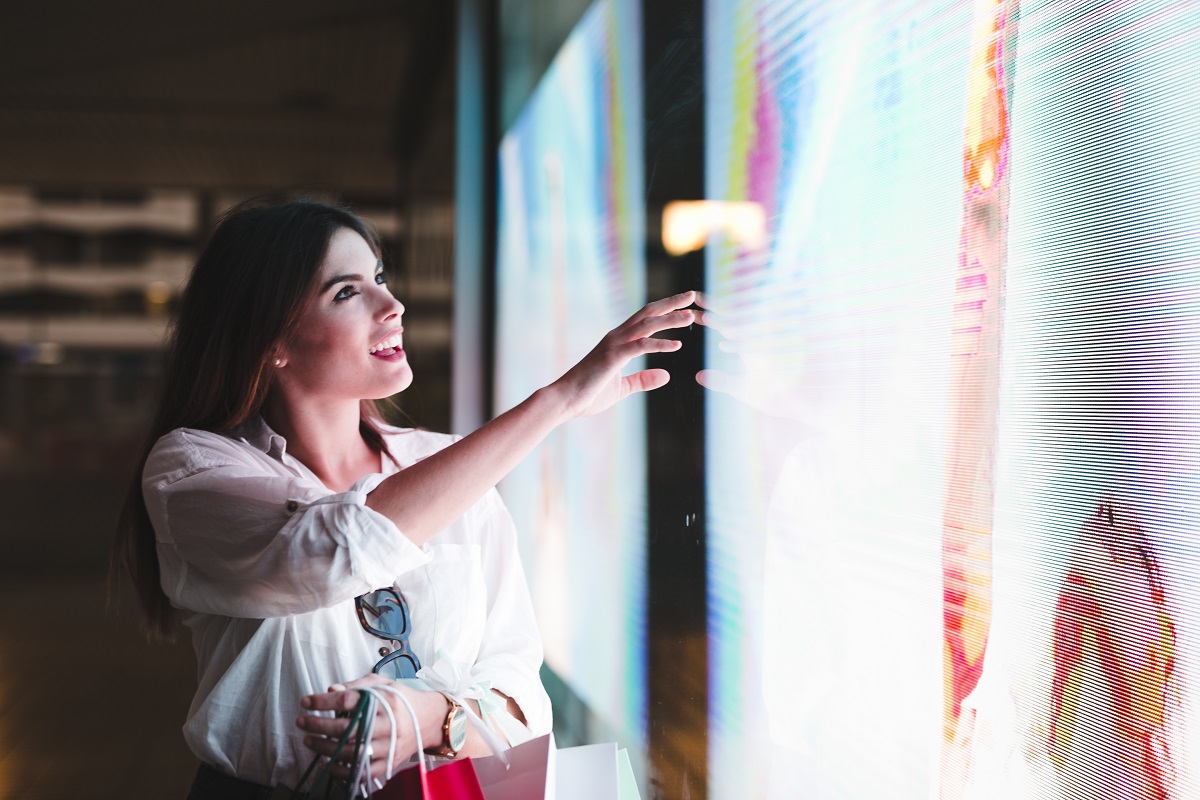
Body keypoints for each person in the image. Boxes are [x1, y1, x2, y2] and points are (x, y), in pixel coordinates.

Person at [110, 197, 698, 797]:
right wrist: (557, 401)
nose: (392, 307)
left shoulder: (448, 466)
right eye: (346, 292)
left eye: (380, 278)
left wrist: (432, 719)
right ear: (270, 342)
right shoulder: (190, 468)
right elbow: (329, 550)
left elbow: (522, 695)